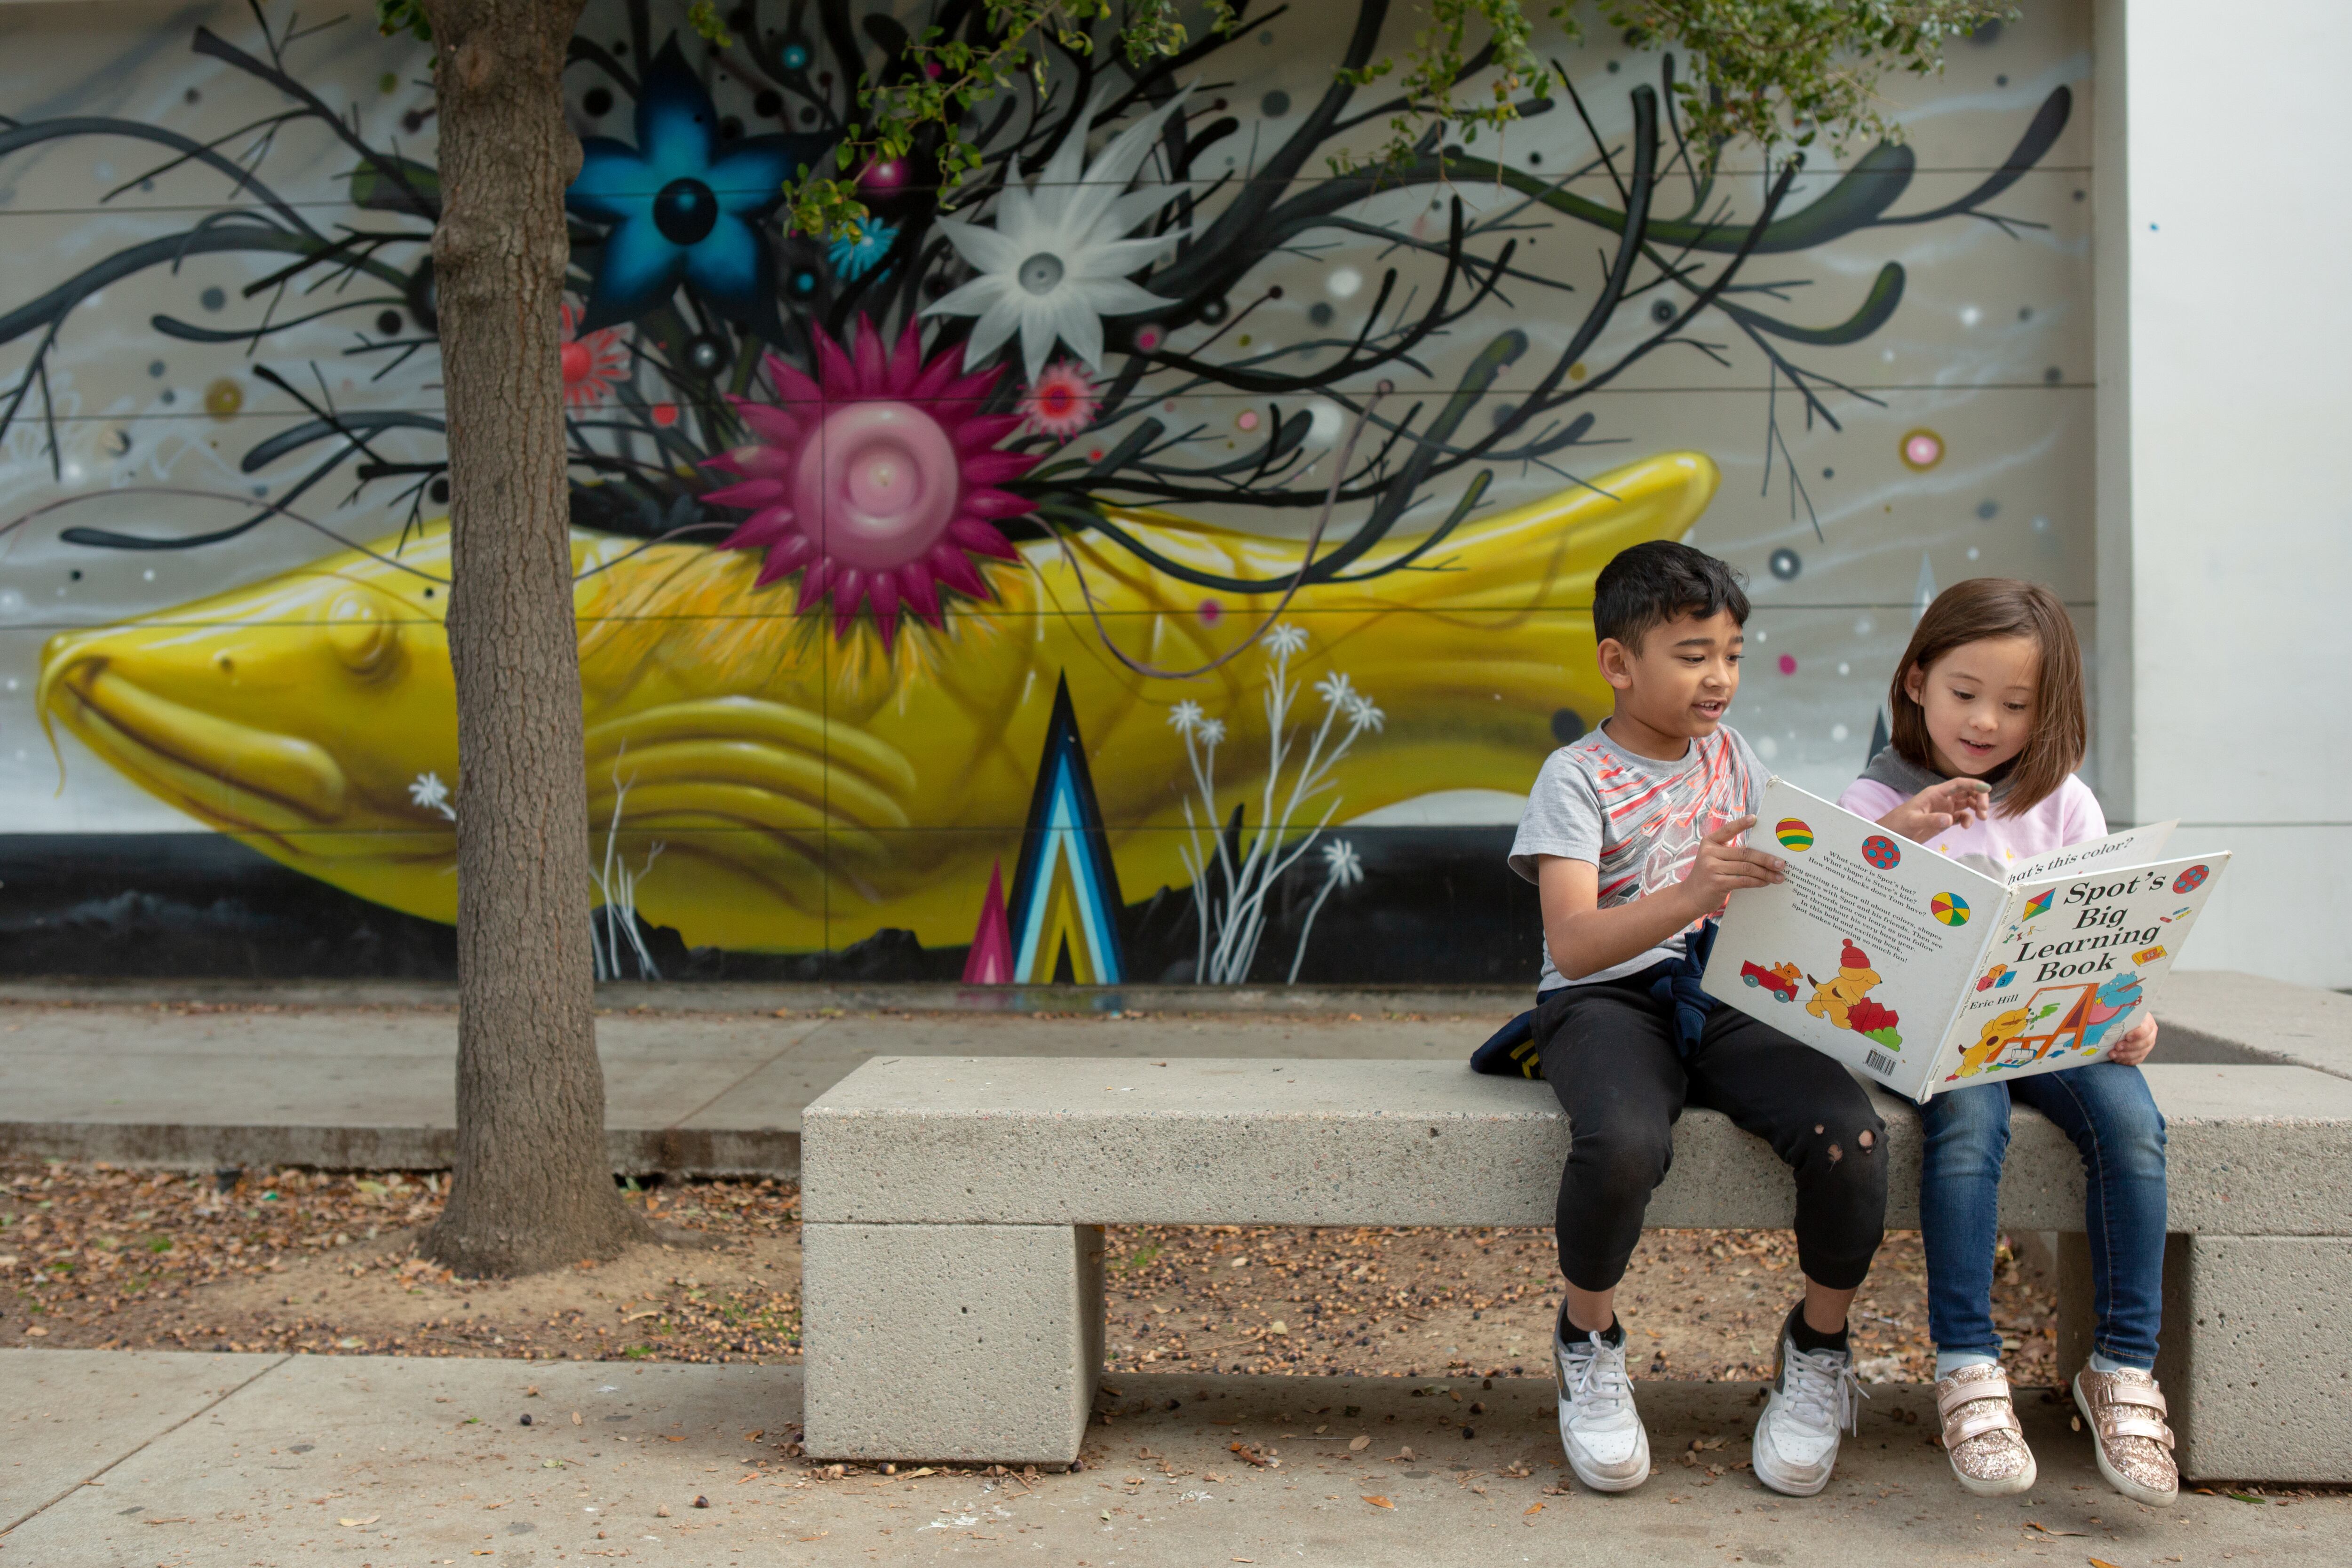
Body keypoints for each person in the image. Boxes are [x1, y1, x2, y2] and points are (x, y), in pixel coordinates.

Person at [1502, 541, 1887, 1497]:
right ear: (1617, 663)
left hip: (1726, 985)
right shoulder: (1575, 777)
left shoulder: (1730, 753)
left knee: (1851, 1132)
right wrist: (1687, 892)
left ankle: (1817, 1348)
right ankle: (1586, 1337)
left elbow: (1782, 867)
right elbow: (1576, 942)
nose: (1719, 677)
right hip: (1603, 1000)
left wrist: (1900, 841)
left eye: (1733, 652)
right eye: (1691, 653)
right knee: (1625, 1138)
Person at [1840, 577, 2177, 1508]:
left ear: (2048, 708)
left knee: (2133, 1126)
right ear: (1915, 681)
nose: (1985, 720)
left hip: (2051, 1029)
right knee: (1970, 1124)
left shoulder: (2063, 801)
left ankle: (2122, 1369)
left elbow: (2103, 934)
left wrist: (2124, 1009)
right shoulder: (1879, 792)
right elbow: (1840, 919)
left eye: (2015, 703)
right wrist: (1901, 831)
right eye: (1963, 693)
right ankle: (1966, 1363)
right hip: (1937, 1038)